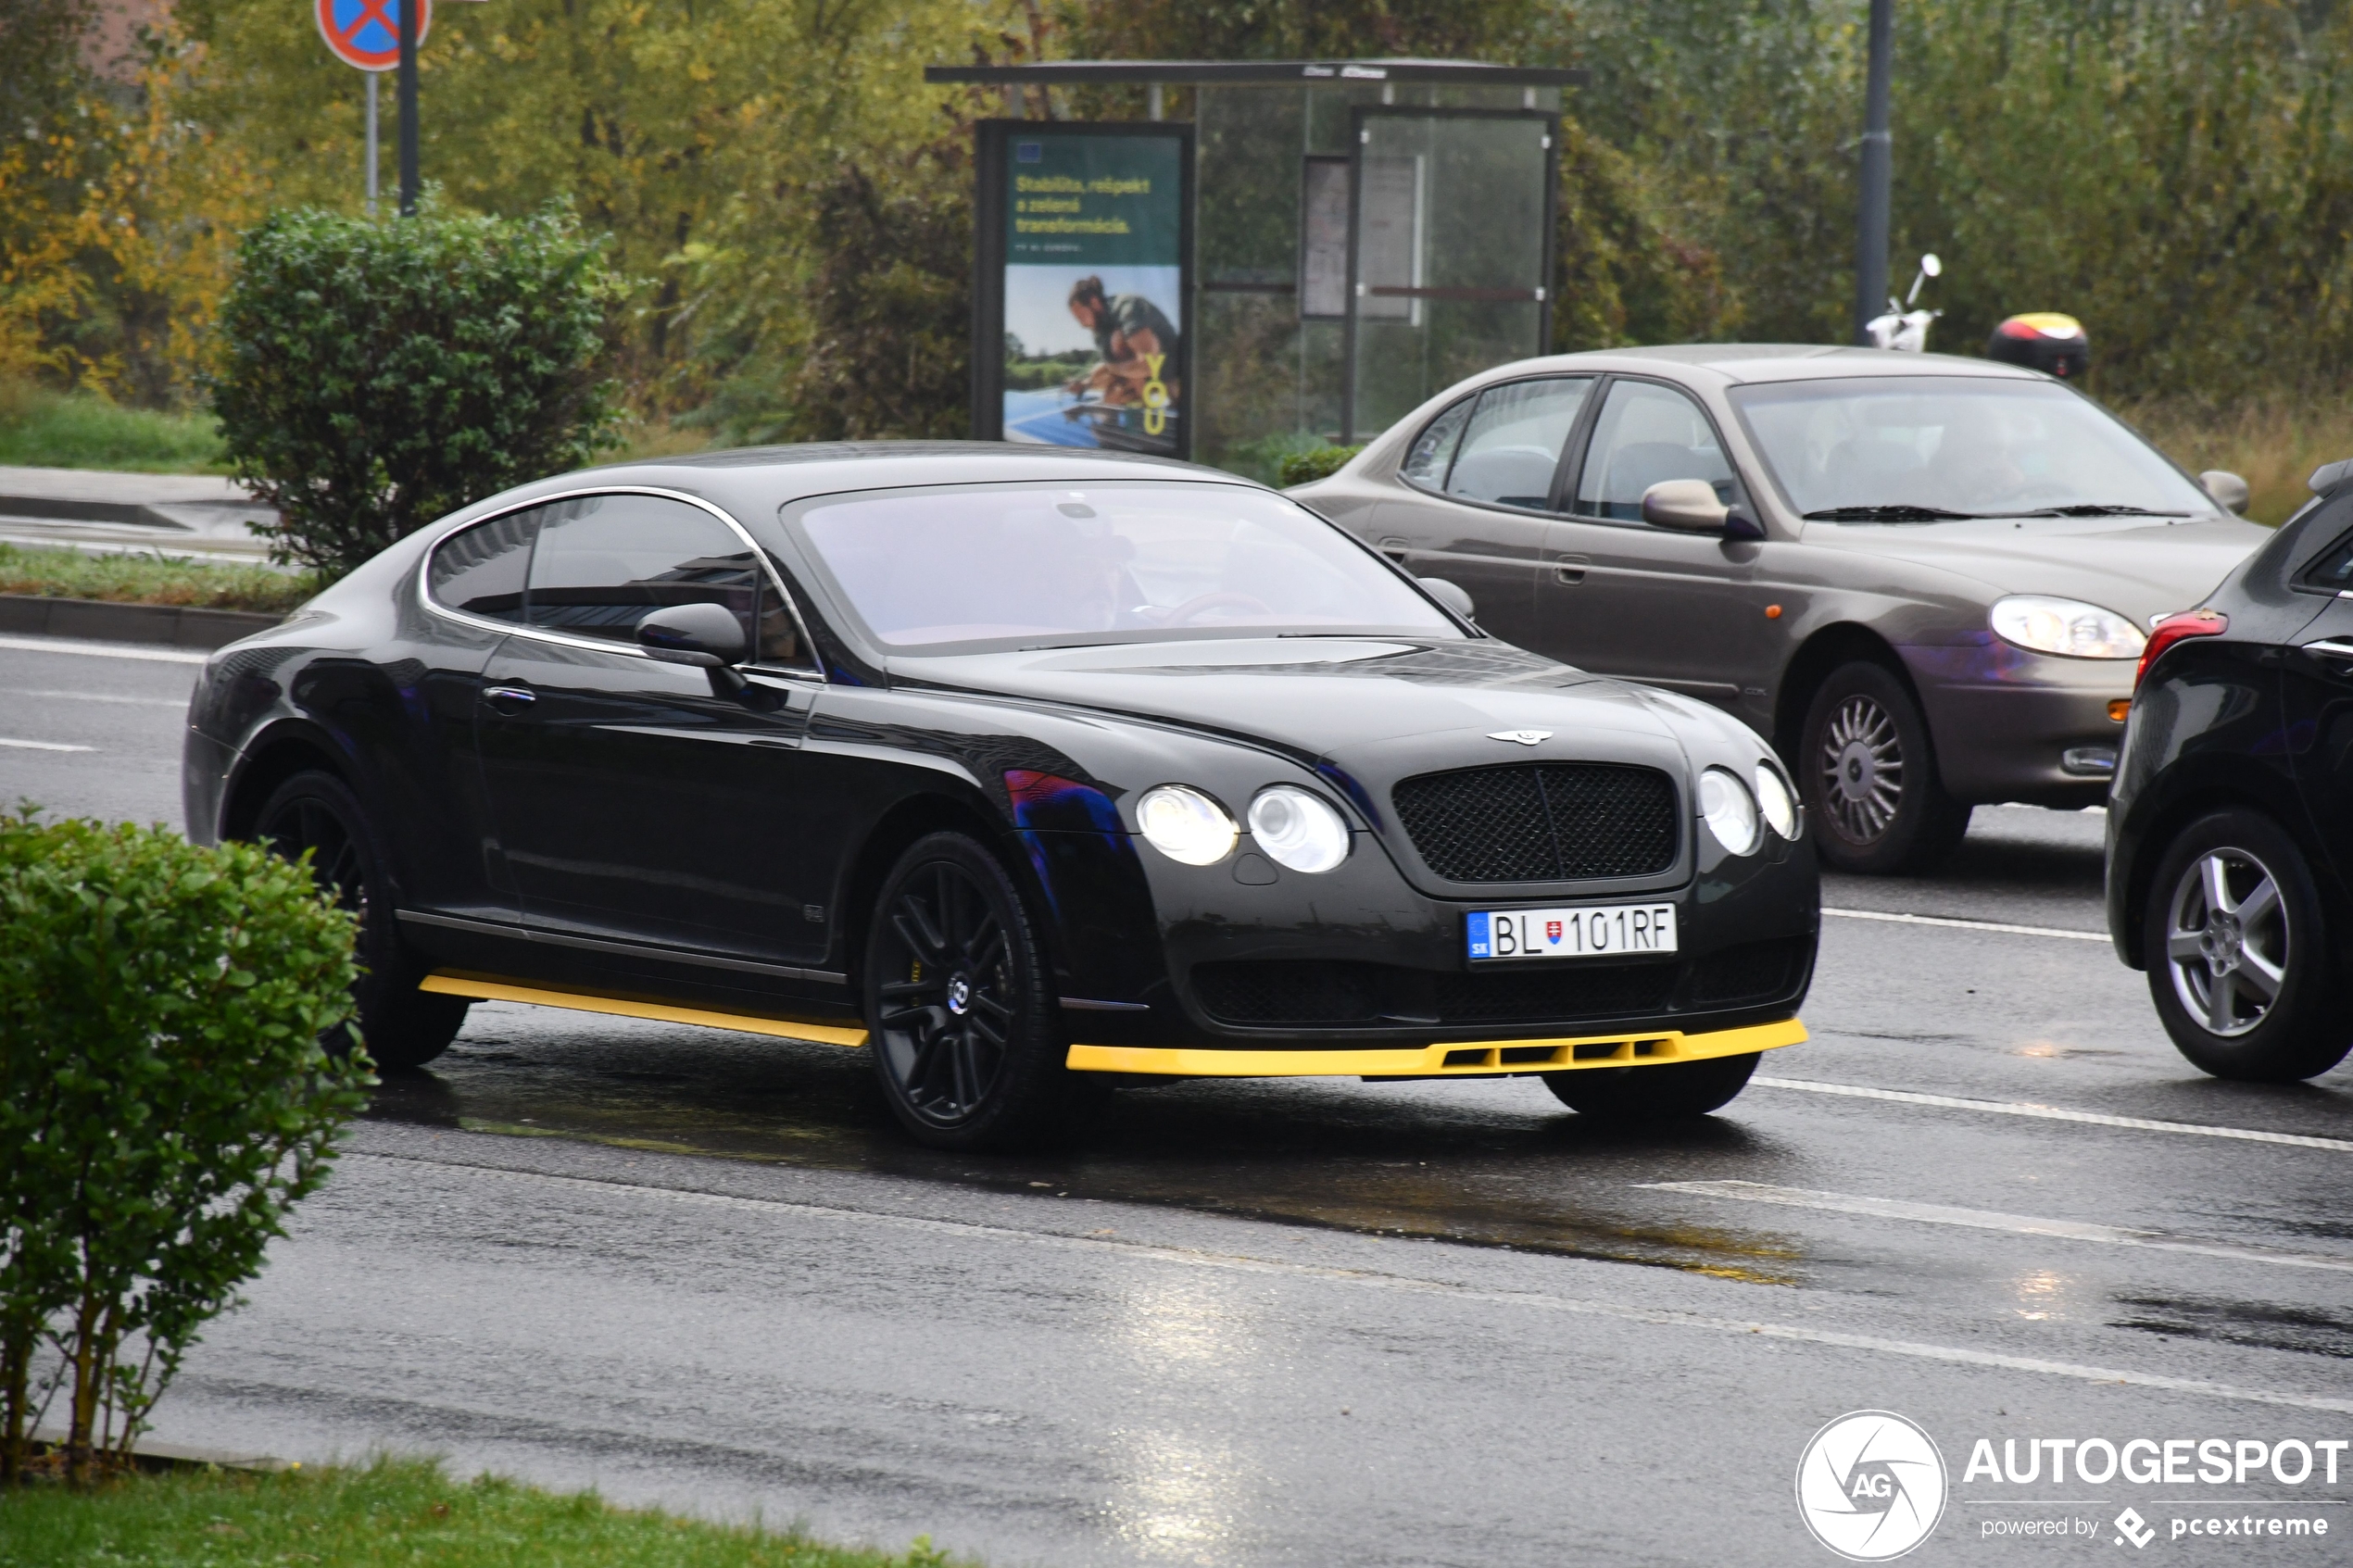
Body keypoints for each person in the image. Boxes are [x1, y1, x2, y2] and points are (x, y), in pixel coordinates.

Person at [1063, 277, 1180, 408]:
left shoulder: (1128, 307)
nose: (1082, 324)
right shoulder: (1099, 329)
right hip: (1141, 376)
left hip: (1169, 370)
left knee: (1116, 341)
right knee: (1110, 395)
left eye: (1082, 316)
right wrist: (1084, 385)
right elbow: (1109, 368)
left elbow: (1147, 365)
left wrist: (1112, 368)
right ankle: (1135, 411)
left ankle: (1156, 405)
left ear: (1094, 303)